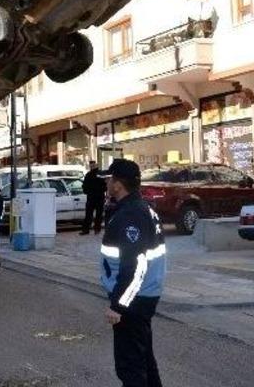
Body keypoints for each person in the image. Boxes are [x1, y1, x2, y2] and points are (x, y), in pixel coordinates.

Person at [99, 159, 166, 387]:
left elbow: (135, 265)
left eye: (108, 179)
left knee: (130, 366)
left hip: (134, 299)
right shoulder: (140, 208)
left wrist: (118, 305)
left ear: (118, 184)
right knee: (144, 360)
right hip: (143, 295)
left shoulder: (131, 214)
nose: (106, 183)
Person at [81, 160, 107, 235]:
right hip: (97, 197)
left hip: (93, 197)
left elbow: (84, 186)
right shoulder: (97, 174)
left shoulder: (90, 175)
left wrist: (88, 191)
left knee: (91, 214)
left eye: (92, 165)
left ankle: (88, 230)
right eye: (91, 165)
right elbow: (105, 186)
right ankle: (95, 229)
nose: (91, 166)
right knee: (96, 214)